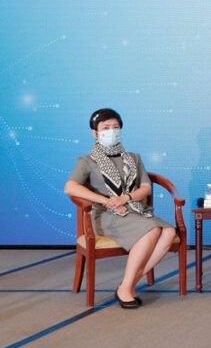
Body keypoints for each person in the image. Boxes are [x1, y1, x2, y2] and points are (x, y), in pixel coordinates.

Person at [64, 108, 177, 309]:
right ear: (95, 133)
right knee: (153, 230)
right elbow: (70, 187)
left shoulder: (133, 158)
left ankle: (128, 284)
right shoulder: (87, 161)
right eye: (106, 128)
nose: (111, 131)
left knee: (168, 232)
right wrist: (106, 200)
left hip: (133, 210)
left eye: (115, 127)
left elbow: (146, 187)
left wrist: (126, 198)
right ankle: (126, 289)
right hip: (105, 215)